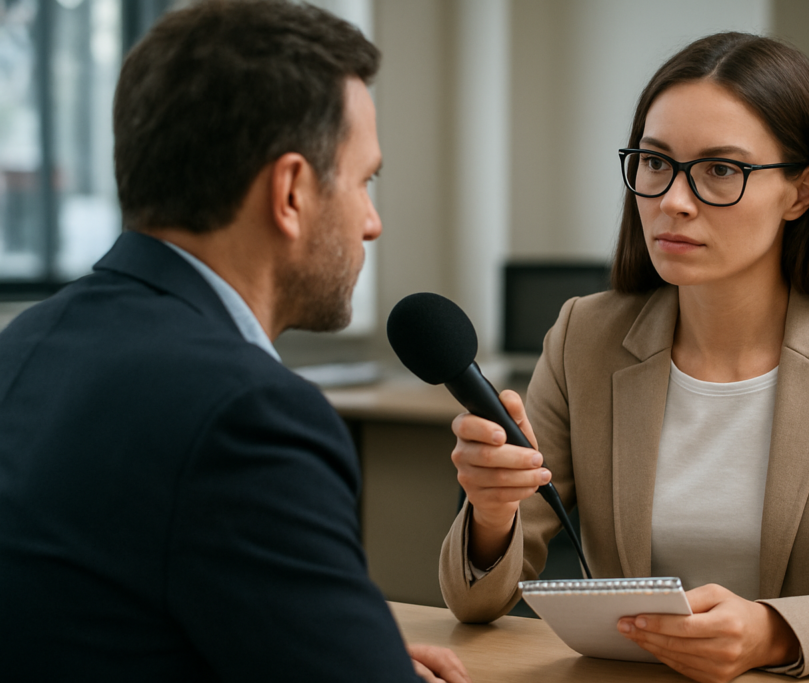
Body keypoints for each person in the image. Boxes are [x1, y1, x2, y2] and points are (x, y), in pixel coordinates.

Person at [439, 32, 809, 682]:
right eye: (654, 162)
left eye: (721, 170)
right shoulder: (585, 335)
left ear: (800, 193)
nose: (672, 198)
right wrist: (493, 514)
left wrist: (773, 632)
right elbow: (474, 602)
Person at [0, 2, 470, 682]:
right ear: (290, 192)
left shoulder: (30, 342)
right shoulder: (247, 415)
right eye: (365, 180)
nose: (371, 222)